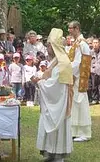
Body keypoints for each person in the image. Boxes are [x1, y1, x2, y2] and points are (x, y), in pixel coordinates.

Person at [32, 28, 73, 162]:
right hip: (53, 101)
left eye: (49, 44)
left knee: (58, 126)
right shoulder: (56, 60)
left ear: (54, 46)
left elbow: (55, 86)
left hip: (58, 102)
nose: (47, 47)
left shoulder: (62, 63)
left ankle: (58, 155)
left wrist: (40, 82)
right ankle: (51, 152)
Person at [67, 21, 92, 142]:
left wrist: (69, 71)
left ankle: (84, 132)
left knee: (81, 102)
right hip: (75, 77)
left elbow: (79, 62)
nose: (69, 30)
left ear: (76, 28)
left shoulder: (82, 44)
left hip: (79, 78)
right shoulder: (76, 43)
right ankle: (74, 130)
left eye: (70, 28)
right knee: (74, 104)